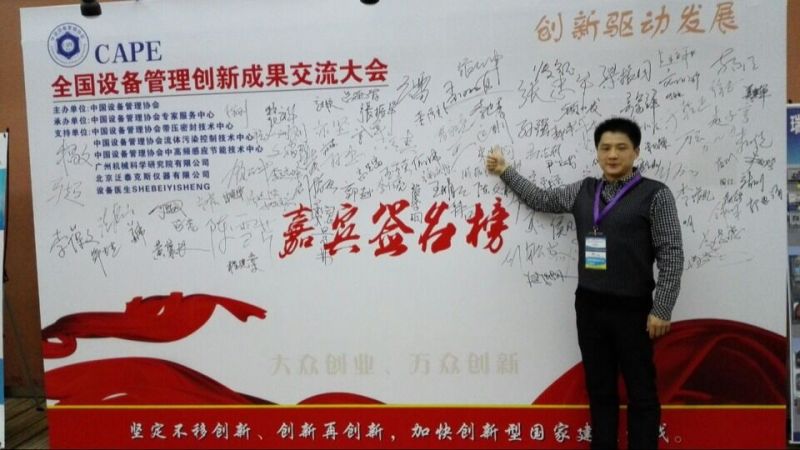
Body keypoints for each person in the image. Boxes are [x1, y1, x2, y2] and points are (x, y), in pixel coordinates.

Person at [486, 117, 684, 449]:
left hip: (634, 310)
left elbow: (671, 252)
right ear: (597, 152)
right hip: (590, 307)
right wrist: (506, 171)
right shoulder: (583, 191)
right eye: (605, 148)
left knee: (641, 393)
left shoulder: (655, 195)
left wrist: (662, 308)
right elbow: (542, 199)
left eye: (621, 148)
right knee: (600, 390)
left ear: (636, 152)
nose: (612, 155)